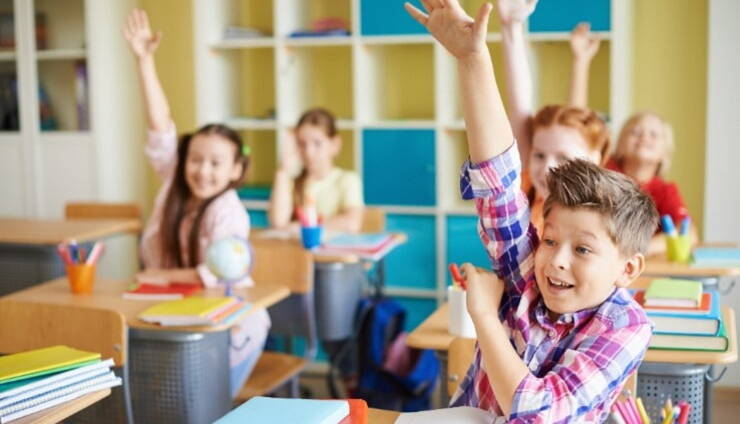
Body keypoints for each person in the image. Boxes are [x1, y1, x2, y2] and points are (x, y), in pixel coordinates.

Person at [405, 1, 658, 421]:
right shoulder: (529, 276)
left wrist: (485, 316)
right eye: (552, 239)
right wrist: (472, 60)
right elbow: (498, 183)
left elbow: (540, 413)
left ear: (627, 269)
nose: (555, 259)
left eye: (582, 250)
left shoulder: (626, 327)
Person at [123, 8, 269, 396]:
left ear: (236, 168)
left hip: (223, 319)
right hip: (167, 309)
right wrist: (144, 60)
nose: (203, 171)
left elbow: (216, 273)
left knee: (195, 399)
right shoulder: (173, 178)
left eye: (216, 163)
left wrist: (161, 277)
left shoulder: (228, 210)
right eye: (196, 159)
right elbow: (159, 125)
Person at [568, 22, 695, 254]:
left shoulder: (665, 191)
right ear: (620, 143)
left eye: (653, 134)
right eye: (635, 131)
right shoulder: (604, 171)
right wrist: (581, 62)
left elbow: (690, 235)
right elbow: (577, 128)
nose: (644, 136)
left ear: (664, 153)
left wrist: (630, 248)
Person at [493, 0, 610, 232]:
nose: (547, 168)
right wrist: (511, 27)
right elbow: (520, 106)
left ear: (594, 160)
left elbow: (575, 132)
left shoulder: (600, 213)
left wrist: (580, 62)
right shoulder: (531, 193)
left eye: (563, 158)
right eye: (539, 155)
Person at [268, 108, 364, 233]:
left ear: (335, 145)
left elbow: (352, 223)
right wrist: (283, 170)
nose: (309, 152)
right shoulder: (291, 182)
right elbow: (278, 222)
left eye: (317, 143)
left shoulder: (347, 180)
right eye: (301, 144)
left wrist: (300, 227)